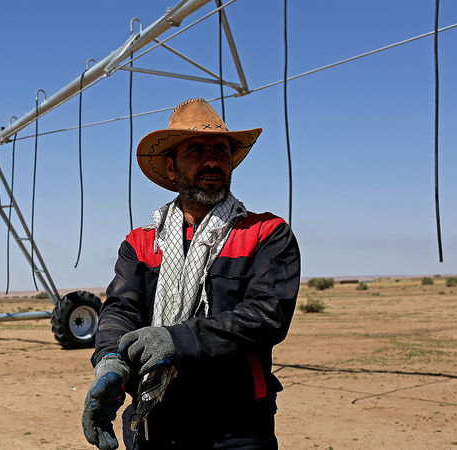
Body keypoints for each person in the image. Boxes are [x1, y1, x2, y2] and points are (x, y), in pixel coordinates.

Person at [81, 98, 301, 449]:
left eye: (221, 151)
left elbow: (267, 316)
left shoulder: (266, 233)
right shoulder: (141, 243)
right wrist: (110, 361)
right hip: (154, 424)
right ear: (171, 169)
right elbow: (120, 310)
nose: (212, 160)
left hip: (236, 428)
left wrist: (176, 340)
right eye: (196, 150)